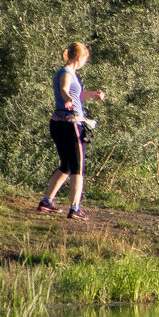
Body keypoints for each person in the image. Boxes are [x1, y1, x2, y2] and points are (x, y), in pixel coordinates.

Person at [37, 42, 105, 220]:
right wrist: (67, 98)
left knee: (66, 166)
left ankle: (47, 202)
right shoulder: (66, 73)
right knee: (77, 167)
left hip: (59, 124)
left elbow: (76, 96)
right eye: (85, 59)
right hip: (70, 124)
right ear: (78, 58)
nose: (85, 62)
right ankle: (75, 208)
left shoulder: (70, 74)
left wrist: (93, 94)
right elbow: (64, 90)